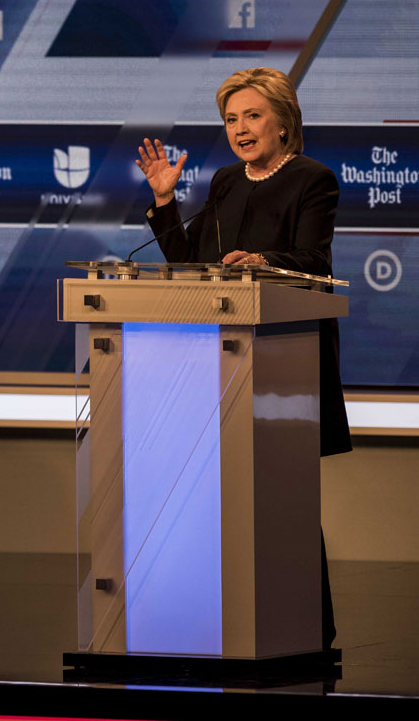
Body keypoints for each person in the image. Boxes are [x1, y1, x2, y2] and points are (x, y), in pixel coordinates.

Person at [136, 65, 349, 648]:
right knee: (219, 501)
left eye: (252, 115)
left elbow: (315, 264)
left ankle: (310, 627)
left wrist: (262, 262)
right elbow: (190, 265)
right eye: (231, 119)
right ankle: (224, 620)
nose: (240, 128)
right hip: (216, 360)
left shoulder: (313, 179)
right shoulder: (227, 181)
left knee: (287, 501)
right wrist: (164, 201)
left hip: (284, 361)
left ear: (283, 122)